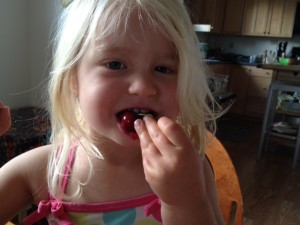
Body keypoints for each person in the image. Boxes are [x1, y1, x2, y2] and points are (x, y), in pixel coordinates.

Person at [0, 0, 225, 224]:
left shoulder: (192, 172)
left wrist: (184, 202)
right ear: (73, 78)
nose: (143, 87)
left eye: (163, 68)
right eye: (115, 65)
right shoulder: (44, 170)